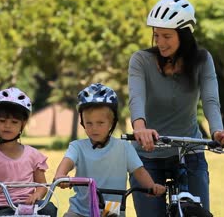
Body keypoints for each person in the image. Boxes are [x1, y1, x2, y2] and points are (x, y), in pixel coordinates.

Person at [128, 0, 224, 216]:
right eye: (156, 35)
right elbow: (136, 97)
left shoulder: (203, 60)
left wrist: (218, 131)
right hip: (147, 156)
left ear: (185, 35)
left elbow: (210, 101)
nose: (160, 42)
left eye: (167, 36)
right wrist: (140, 128)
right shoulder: (140, 60)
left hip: (189, 152)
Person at [54, 83, 166, 217]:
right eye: (89, 123)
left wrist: (151, 186)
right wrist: (61, 175)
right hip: (80, 210)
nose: (94, 128)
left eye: (100, 123)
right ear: (82, 122)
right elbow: (68, 161)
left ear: (112, 123)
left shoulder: (124, 147)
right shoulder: (77, 147)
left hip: (112, 210)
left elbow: (139, 171)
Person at [0, 87, 57, 217]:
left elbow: (42, 185)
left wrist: (37, 195)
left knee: (50, 209)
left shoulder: (33, 155)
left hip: (30, 205)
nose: (7, 126)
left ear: (23, 124)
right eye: (2, 121)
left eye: (14, 122)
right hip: (2, 206)